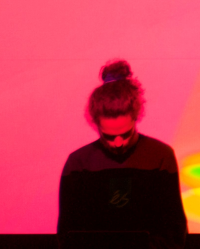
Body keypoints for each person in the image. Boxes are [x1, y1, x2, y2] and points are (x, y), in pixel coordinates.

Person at [57, 60, 187, 249]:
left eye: (125, 134)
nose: (118, 143)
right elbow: (67, 235)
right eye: (109, 136)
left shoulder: (160, 156)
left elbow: (174, 230)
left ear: (135, 117)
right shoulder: (79, 163)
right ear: (97, 125)